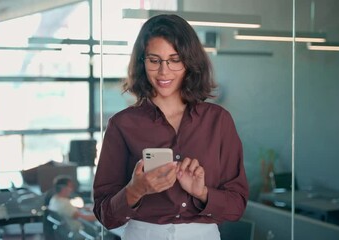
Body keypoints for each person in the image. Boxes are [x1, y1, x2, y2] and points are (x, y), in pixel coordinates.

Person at [93, 14, 248, 240]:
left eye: (175, 60)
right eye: (154, 60)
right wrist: (135, 190)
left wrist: (202, 193)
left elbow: (236, 206)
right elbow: (104, 214)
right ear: (142, 62)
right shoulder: (122, 124)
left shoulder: (219, 120)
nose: (164, 72)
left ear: (190, 62)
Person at [48, 175, 96, 239]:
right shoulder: (65, 204)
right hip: (79, 231)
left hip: (66, 232)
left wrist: (85, 208)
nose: (72, 189)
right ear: (63, 188)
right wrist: (100, 216)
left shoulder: (54, 199)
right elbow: (84, 218)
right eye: (70, 186)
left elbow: (68, 210)